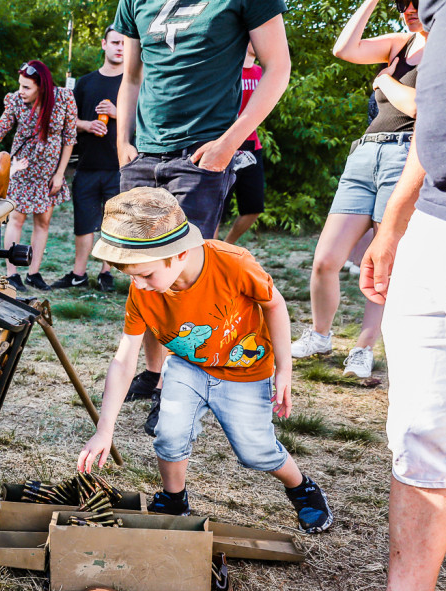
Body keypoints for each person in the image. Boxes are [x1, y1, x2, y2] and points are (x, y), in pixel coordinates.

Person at [283, 1, 446, 591]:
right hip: (435, 211)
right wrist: (393, 225)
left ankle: (358, 347)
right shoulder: (428, 23)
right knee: (422, 430)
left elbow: (414, 103)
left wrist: (391, 87)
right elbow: (431, 117)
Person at [77, 188, 333, 535]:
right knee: (169, 436)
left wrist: (284, 369)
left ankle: (301, 487)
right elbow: (125, 359)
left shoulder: (233, 262)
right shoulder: (143, 291)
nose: (138, 285)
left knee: (255, 452)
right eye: (130, 275)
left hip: (244, 371)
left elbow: (274, 304)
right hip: (187, 367)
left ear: (178, 254)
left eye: (146, 274)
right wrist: (104, 429)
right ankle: (174, 499)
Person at [113, 0, 291, 435]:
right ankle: (156, 375)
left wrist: (229, 144)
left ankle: (173, 394)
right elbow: (132, 76)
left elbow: (278, 68)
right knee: (145, 276)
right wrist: (121, 141)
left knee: (181, 282)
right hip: (142, 156)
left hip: (200, 158)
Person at [290, 0, 426, 380]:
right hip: (365, 153)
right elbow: (344, 49)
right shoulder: (400, 43)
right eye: (402, 3)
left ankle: (363, 348)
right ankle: (320, 335)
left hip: (405, 154)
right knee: (325, 259)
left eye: (417, 2)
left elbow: (417, 106)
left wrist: (385, 80)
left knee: (381, 263)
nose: (409, 9)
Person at [0, 60, 78, 292]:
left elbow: (69, 138)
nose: (20, 91)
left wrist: (60, 173)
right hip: (21, 171)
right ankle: (12, 274)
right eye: (20, 86)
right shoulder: (15, 101)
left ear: (41, 86)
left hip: (49, 174)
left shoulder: (63, 99)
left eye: (26, 87)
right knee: (17, 219)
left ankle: (33, 272)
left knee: (43, 223)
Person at [51, 28, 124, 292]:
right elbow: (68, 123)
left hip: (120, 166)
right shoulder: (85, 82)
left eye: (125, 44)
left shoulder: (134, 83)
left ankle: (107, 273)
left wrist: (118, 113)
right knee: (83, 223)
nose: (120, 48)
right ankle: (78, 274)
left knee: (114, 223)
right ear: (104, 44)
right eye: (115, 42)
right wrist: (87, 125)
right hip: (88, 164)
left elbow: (145, 124)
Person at [223, 44, 268, 245]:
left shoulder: (263, 73)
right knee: (216, 209)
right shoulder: (227, 69)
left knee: (253, 208)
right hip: (225, 146)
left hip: (251, 146)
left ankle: (225, 246)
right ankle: (208, 253)